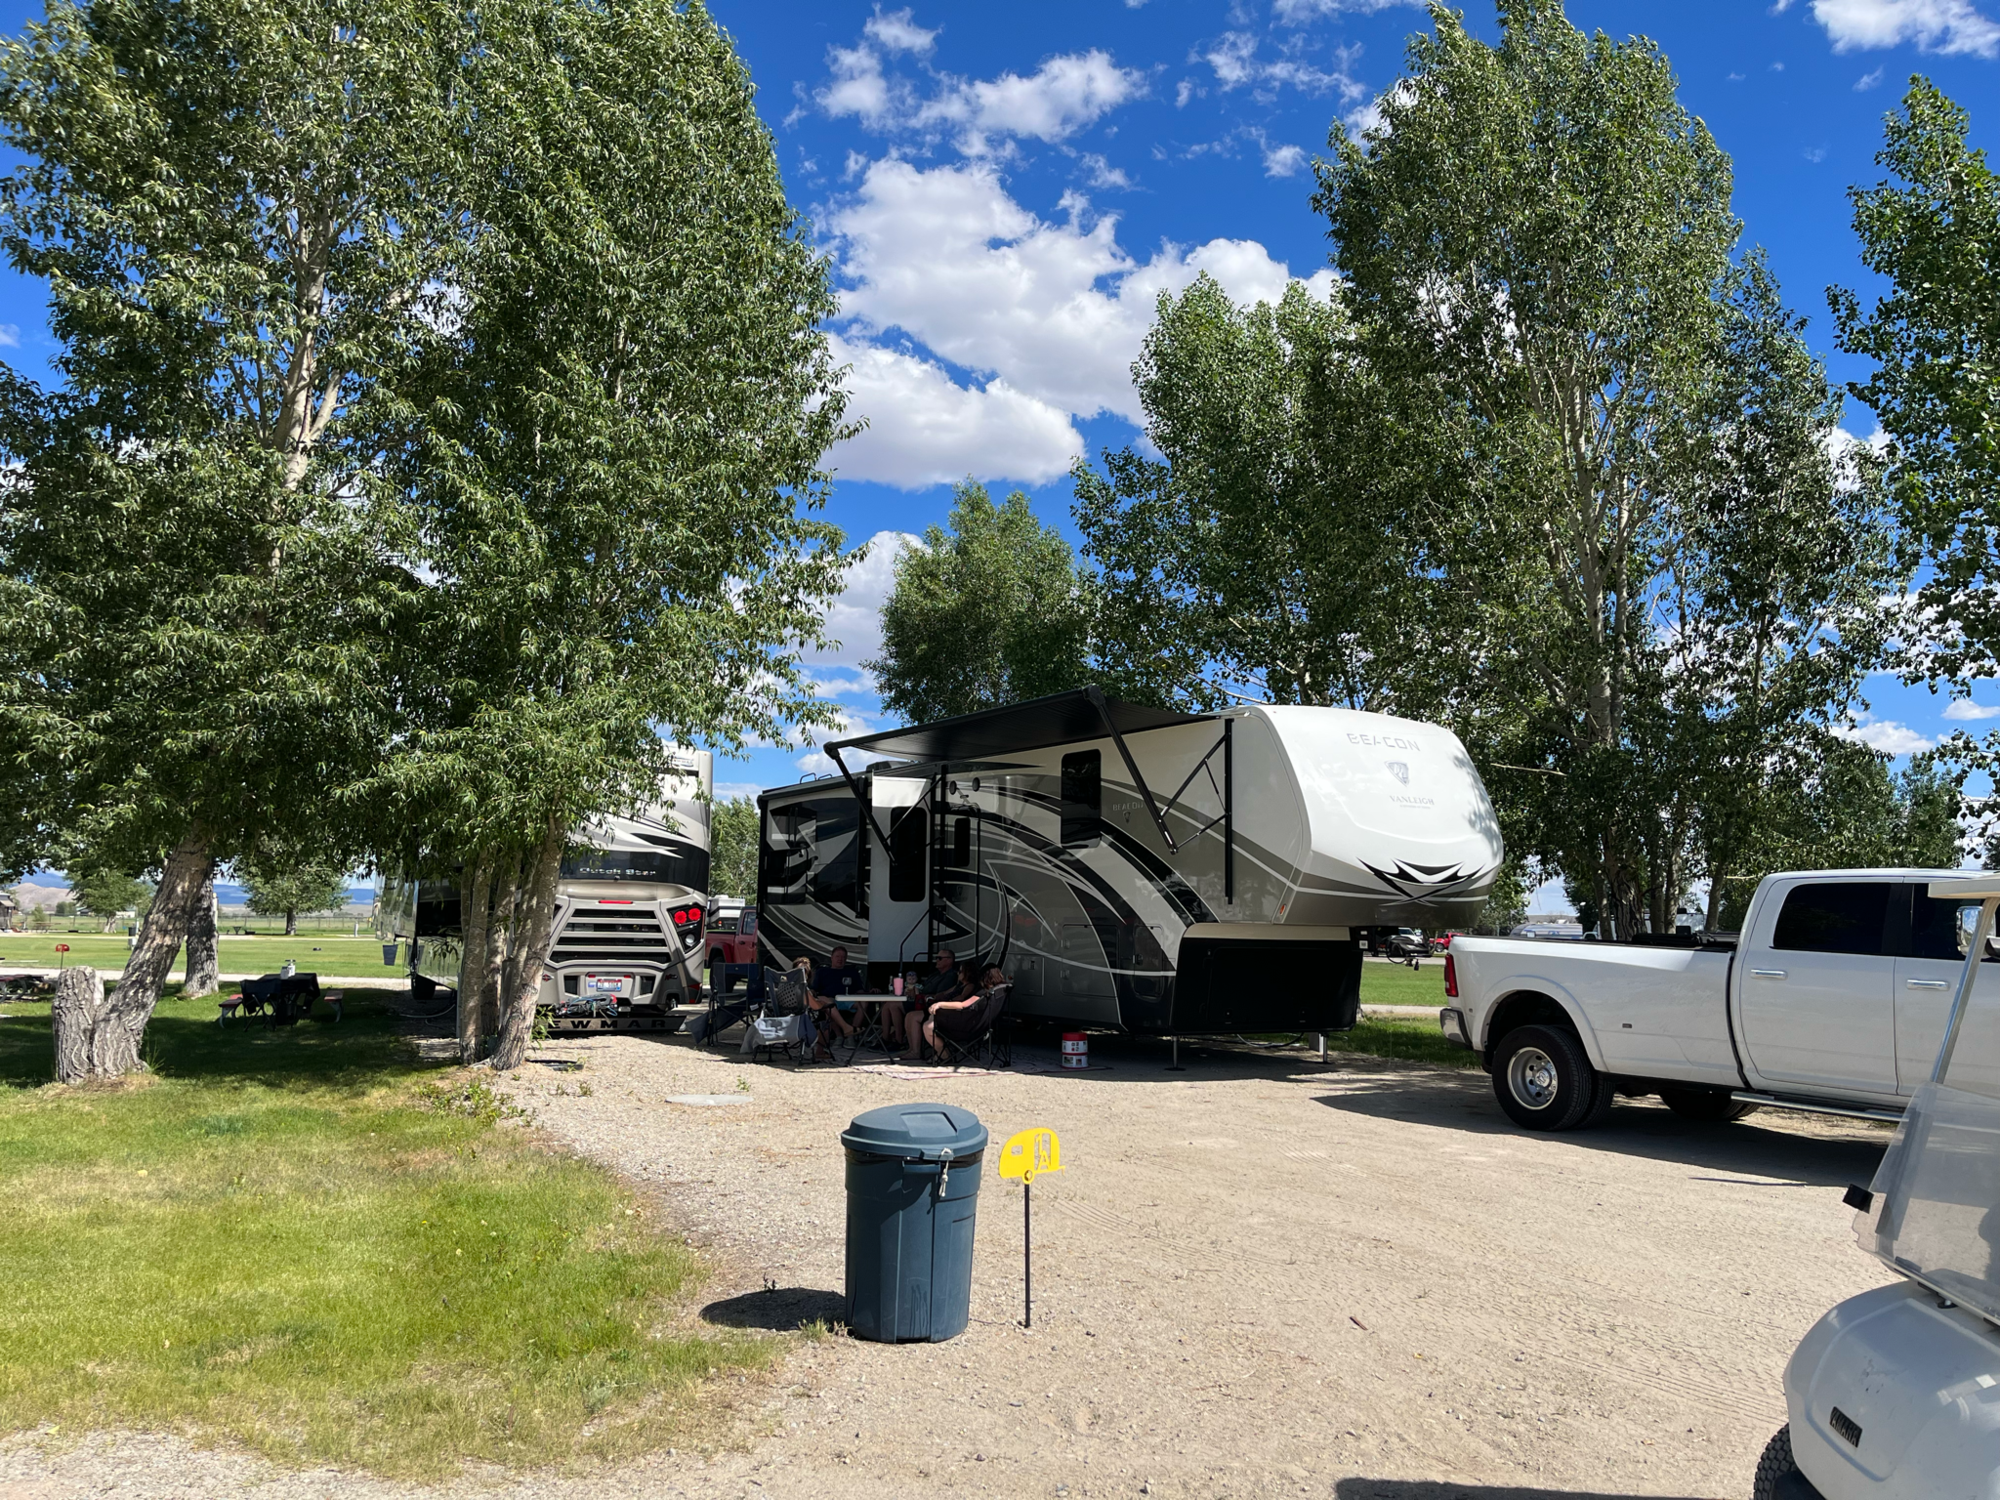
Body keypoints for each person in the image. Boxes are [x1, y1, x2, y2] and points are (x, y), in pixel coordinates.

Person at [920, 964, 1009, 1060]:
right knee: (931, 1020)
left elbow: (963, 1004)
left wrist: (939, 1004)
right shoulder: (999, 990)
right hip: (983, 1026)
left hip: (968, 1028)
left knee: (928, 1025)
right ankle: (942, 1053)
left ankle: (944, 1054)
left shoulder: (983, 993)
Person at [894, 947, 963, 1058]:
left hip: (939, 1008)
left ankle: (915, 1051)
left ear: (949, 960)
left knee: (912, 1016)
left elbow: (941, 995)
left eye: (939, 958)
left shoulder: (950, 976)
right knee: (909, 1015)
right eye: (937, 958)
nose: (937, 960)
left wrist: (924, 996)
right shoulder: (936, 974)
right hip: (928, 1004)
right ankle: (911, 1049)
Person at [809, 945, 860, 1059]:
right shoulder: (822, 971)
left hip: (848, 999)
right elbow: (814, 988)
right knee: (829, 1005)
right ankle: (839, 1036)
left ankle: (850, 1037)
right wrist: (810, 992)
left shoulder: (852, 972)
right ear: (831, 957)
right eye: (837, 956)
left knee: (864, 1003)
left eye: (843, 957)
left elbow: (859, 990)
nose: (840, 959)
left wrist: (870, 992)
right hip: (830, 999)